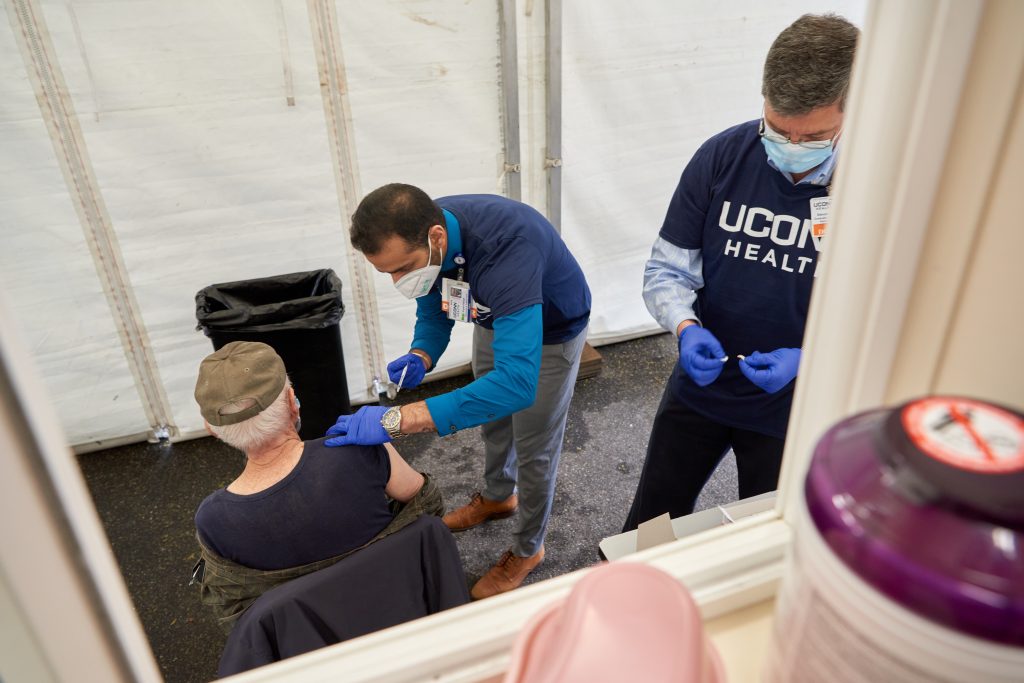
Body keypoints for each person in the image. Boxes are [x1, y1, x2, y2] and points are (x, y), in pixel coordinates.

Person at [623, 14, 860, 531]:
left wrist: (809, 358)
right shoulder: (721, 157)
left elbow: (888, 313)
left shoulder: (879, 185)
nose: (792, 148)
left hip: (796, 410)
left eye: (814, 136)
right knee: (649, 527)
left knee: (769, 536)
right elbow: (667, 269)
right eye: (777, 129)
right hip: (701, 388)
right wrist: (685, 328)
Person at [325, 184, 591, 599]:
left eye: (403, 268)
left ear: (435, 238)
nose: (398, 280)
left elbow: (517, 385)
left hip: (551, 333)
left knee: (536, 447)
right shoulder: (429, 236)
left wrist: (399, 419)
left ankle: (528, 550)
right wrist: (422, 353)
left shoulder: (507, 250)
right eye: (387, 273)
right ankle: (498, 497)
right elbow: (436, 306)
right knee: (493, 420)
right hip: (493, 319)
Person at [190, 341, 443, 632]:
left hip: (307, 644)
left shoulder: (213, 519)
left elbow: (234, 608)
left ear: (212, 430)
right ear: (291, 401)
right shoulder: (359, 450)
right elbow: (428, 508)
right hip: (402, 614)